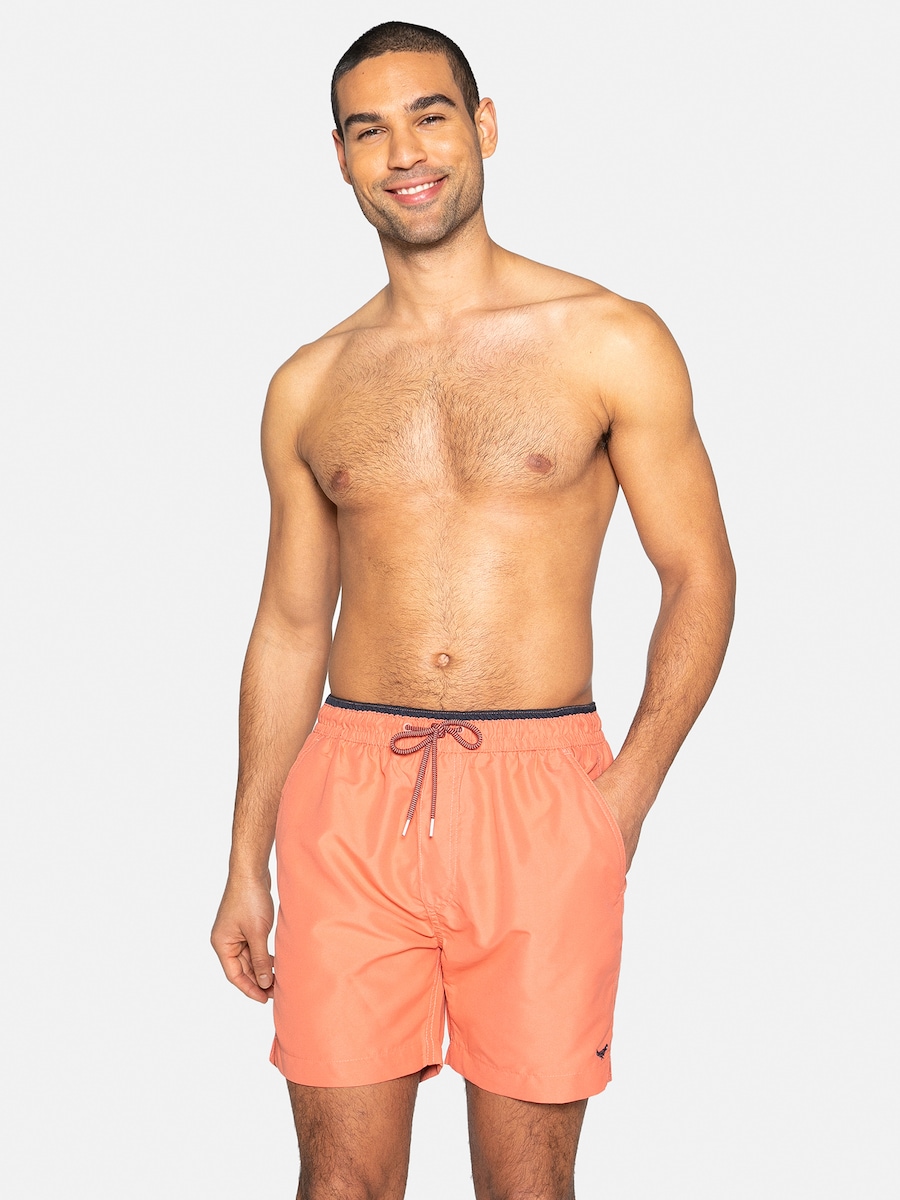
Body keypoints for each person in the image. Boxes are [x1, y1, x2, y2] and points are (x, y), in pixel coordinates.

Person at [211, 20, 736, 1200]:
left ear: (484, 127)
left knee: (526, 1187)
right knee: (338, 1184)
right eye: (369, 130)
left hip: (543, 795)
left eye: (430, 116)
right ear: (340, 158)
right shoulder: (309, 383)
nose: (404, 152)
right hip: (348, 801)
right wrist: (245, 855)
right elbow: (289, 625)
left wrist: (625, 794)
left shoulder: (609, 338)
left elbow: (700, 574)